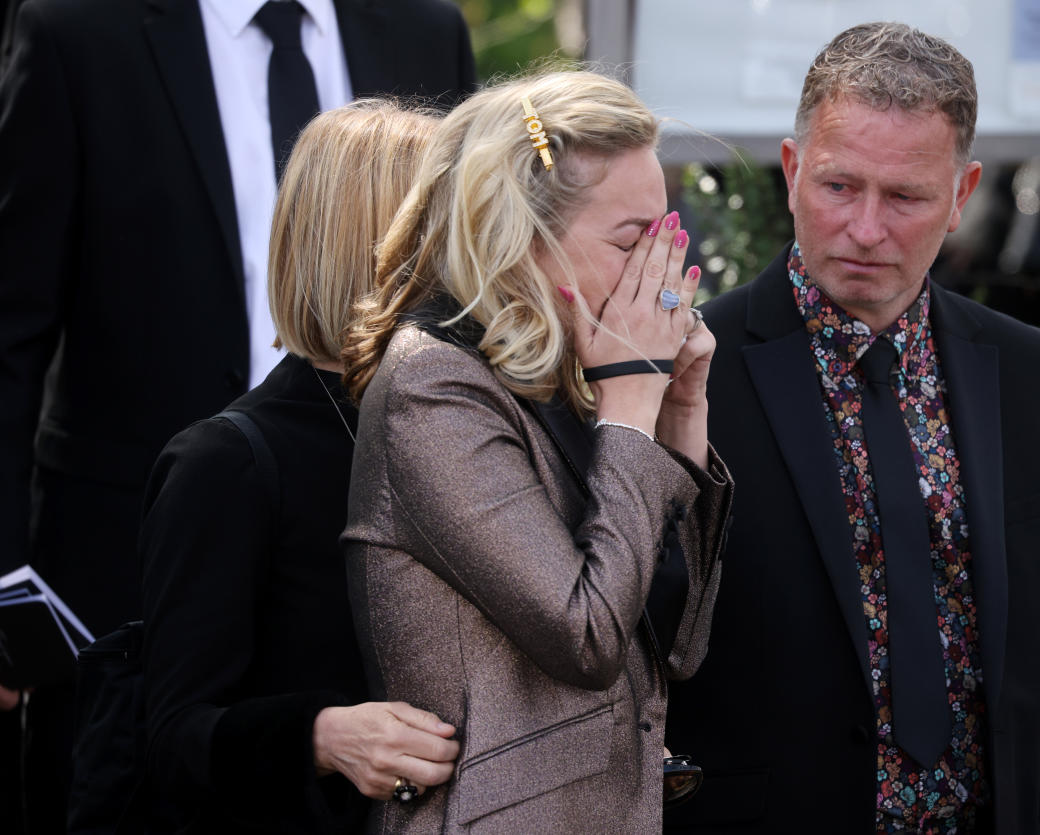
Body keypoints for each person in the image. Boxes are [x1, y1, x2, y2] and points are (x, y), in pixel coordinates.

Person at [0, 1, 475, 828]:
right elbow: (10, 330)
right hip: (138, 557)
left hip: (370, 484)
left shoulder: (425, 27)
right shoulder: (79, 28)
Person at [664, 22, 1040, 834]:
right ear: (794, 169)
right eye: (840, 187)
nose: (867, 229)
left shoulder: (1033, 374)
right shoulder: (691, 371)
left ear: (961, 194)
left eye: (905, 196)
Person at [340, 71, 733, 832]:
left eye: (663, 235)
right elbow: (586, 638)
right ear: (524, 232)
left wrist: (682, 411)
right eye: (631, 239)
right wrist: (630, 408)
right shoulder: (436, 385)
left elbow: (678, 647)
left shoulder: (582, 372)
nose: (659, 274)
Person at [136, 100, 458, 834]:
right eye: (465, 222)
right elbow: (173, 738)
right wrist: (320, 735)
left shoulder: (465, 419)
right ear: (394, 245)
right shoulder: (228, 462)